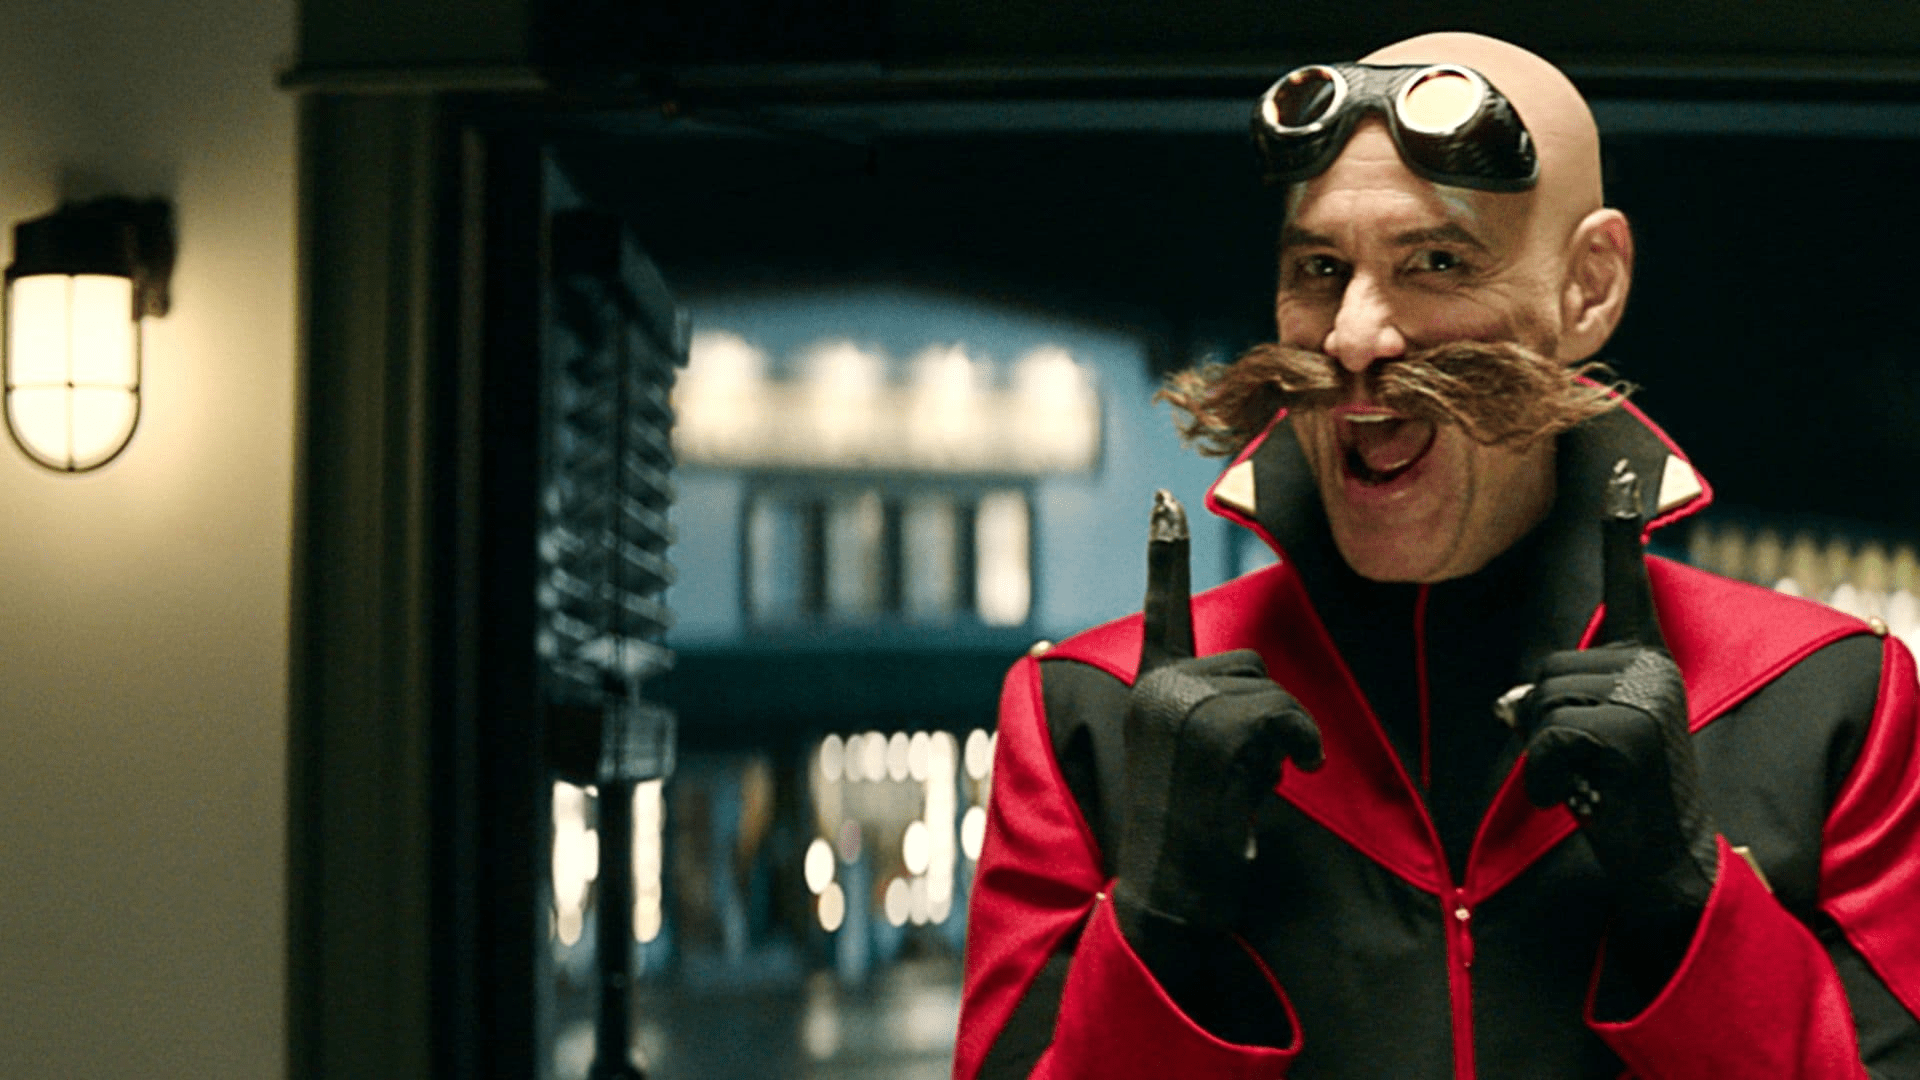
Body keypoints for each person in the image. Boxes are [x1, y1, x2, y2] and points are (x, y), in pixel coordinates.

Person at [953, 31, 1920, 1079]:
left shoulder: (1824, 700)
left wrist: (1692, 895)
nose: (1354, 336)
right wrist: (1155, 921)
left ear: (1588, 288)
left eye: (1438, 263)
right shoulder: (1089, 716)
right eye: (1320, 270)